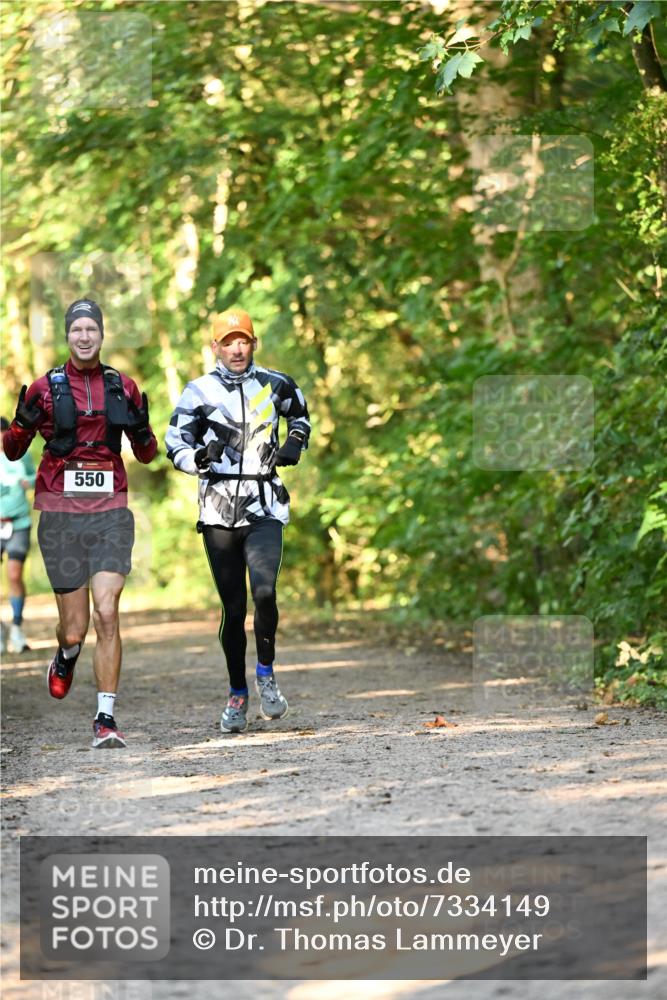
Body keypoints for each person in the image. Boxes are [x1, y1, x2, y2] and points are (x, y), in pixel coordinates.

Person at [2, 298, 157, 748]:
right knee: (75, 627)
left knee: (107, 612)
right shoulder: (42, 389)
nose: (85, 336)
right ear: (67, 336)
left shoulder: (122, 387)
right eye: (77, 330)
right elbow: (12, 451)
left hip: (110, 511)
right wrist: (19, 426)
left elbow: (147, 454)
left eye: (92, 329)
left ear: (102, 335)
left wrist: (143, 430)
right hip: (61, 516)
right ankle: (66, 654)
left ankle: (105, 718)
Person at [166, 308, 310, 734]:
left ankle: (265, 674)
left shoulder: (276, 383)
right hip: (218, 510)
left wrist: (293, 445)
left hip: (264, 504)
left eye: (243, 340)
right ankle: (237, 693)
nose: (237, 348)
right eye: (228, 342)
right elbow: (175, 444)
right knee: (233, 607)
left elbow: (299, 416)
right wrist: (198, 458)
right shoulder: (198, 392)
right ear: (215, 347)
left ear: (253, 344)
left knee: (264, 593)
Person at [1, 416, 36, 653]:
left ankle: (16, 627)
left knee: (14, 575)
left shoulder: (21, 454)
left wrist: (28, 482)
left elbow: (37, 477)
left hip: (19, 523)